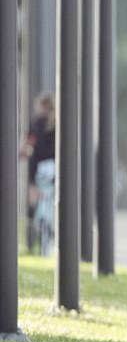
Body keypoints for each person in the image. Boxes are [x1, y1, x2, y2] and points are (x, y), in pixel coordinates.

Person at [20, 92, 56, 255]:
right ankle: (45, 241)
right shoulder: (56, 125)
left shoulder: (37, 126)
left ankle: (38, 241)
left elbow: (30, 149)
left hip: (39, 174)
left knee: (38, 209)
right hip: (53, 174)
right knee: (47, 209)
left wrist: (31, 183)